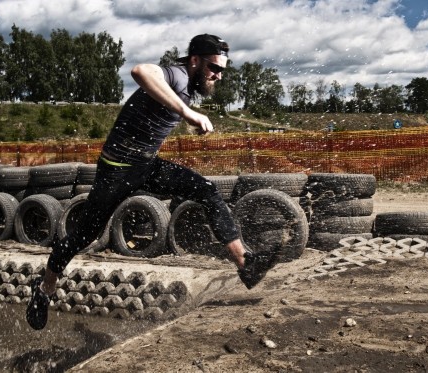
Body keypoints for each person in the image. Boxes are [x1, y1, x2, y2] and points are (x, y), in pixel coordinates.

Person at [26, 34, 279, 330]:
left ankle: (245, 264)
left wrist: (185, 115)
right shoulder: (177, 74)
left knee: (206, 190)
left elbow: (161, 109)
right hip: (117, 170)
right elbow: (140, 72)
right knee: (84, 236)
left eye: (223, 70)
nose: (218, 76)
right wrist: (187, 113)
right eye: (214, 68)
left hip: (146, 165)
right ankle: (44, 290)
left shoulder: (187, 86)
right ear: (195, 60)